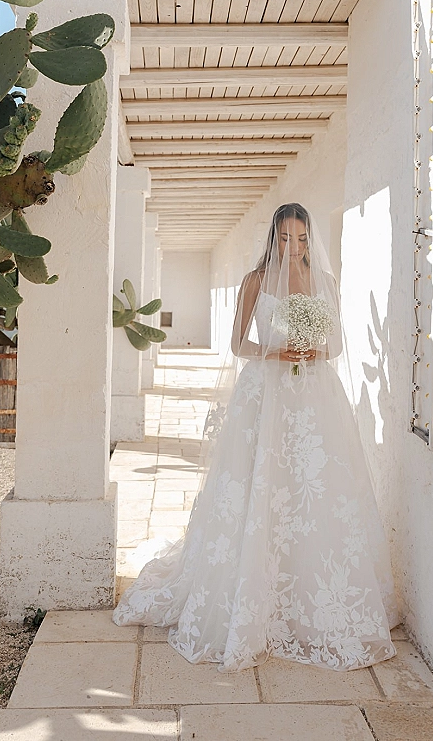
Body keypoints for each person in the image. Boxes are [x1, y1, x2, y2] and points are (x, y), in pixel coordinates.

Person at [113, 203, 399, 672]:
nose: (294, 247)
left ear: (311, 239)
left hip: (314, 398)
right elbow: (237, 344)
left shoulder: (325, 282)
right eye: (286, 238)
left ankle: (313, 595)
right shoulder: (253, 281)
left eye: (302, 239)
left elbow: (338, 345)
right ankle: (249, 591)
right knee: (259, 485)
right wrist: (274, 352)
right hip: (265, 395)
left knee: (314, 490)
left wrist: (312, 351)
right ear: (273, 237)